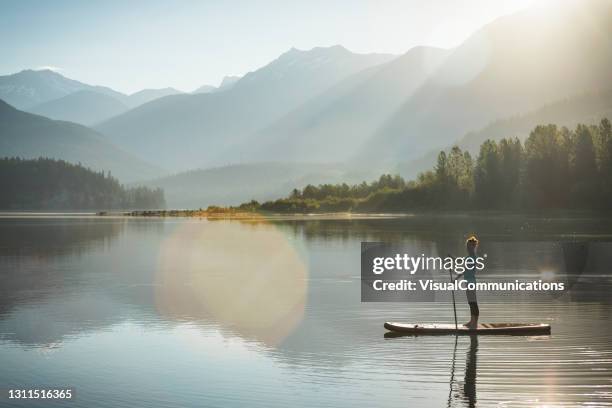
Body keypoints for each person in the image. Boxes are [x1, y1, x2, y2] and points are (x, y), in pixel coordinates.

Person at [463, 235, 480, 328]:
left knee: (473, 301)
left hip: (471, 282)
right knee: (470, 301)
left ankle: (474, 323)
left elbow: (468, 268)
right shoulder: (470, 257)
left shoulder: (472, 257)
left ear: (473, 247)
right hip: (468, 281)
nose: (467, 248)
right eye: (467, 246)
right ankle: (472, 321)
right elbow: (466, 270)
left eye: (469, 246)